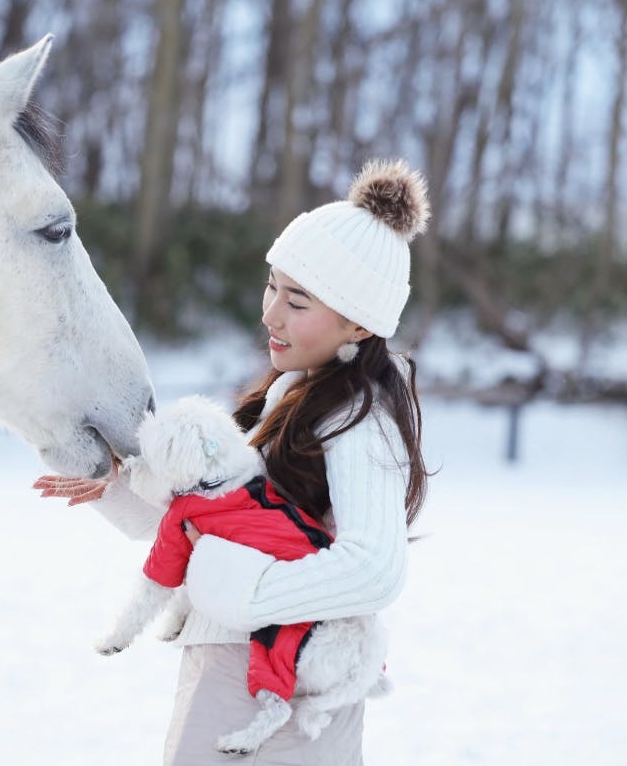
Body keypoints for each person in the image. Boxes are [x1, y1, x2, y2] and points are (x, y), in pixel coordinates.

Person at [34, 159, 432, 765]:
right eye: (273, 285)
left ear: (359, 321)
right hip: (236, 669)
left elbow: (375, 569)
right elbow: (207, 529)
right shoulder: (288, 395)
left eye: (297, 300)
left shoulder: (359, 418)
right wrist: (114, 484)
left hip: (282, 687)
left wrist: (244, 598)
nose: (270, 312)